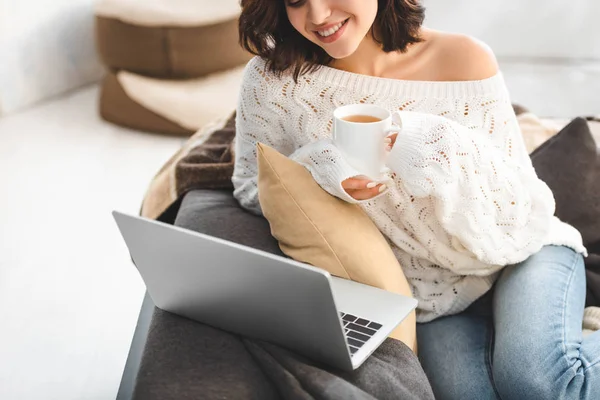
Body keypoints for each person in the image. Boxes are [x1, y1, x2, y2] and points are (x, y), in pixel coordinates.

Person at [232, 0, 598, 399]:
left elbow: (516, 207)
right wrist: (321, 165)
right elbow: (253, 186)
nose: (318, 16)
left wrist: (421, 140)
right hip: (433, 297)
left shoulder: (464, 60)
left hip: (525, 252)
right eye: (295, 1)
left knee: (536, 384)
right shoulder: (273, 82)